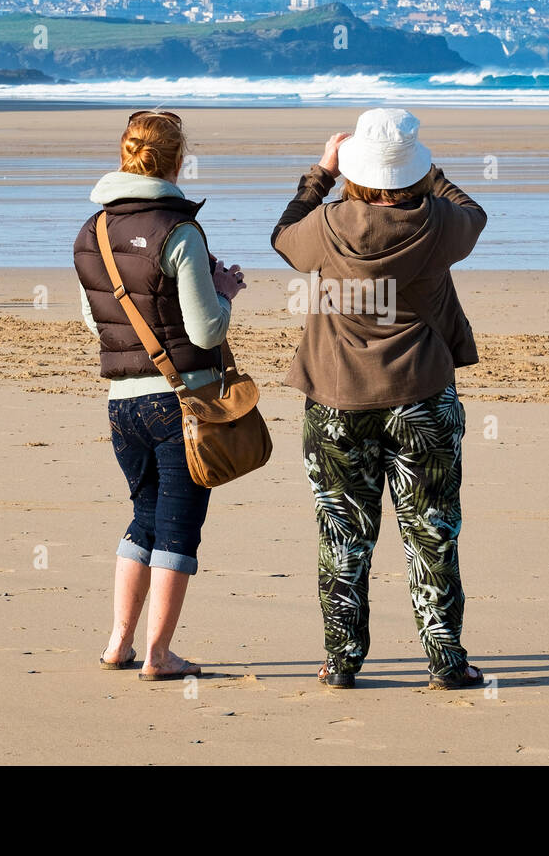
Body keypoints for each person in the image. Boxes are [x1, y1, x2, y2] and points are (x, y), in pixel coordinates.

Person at [270, 107, 488, 689]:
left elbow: (281, 236)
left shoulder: (328, 224)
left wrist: (320, 172)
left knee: (343, 535)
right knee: (432, 532)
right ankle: (445, 662)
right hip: (421, 396)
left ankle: (340, 663)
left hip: (335, 399)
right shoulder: (438, 222)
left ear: (353, 169)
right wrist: (426, 172)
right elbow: (476, 213)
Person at [73, 110, 246, 680]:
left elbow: (94, 319)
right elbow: (206, 331)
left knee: (143, 516)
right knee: (178, 526)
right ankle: (159, 655)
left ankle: (119, 642)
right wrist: (225, 293)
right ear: (177, 161)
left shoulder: (91, 231)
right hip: (182, 401)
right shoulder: (180, 231)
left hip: (121, 402)